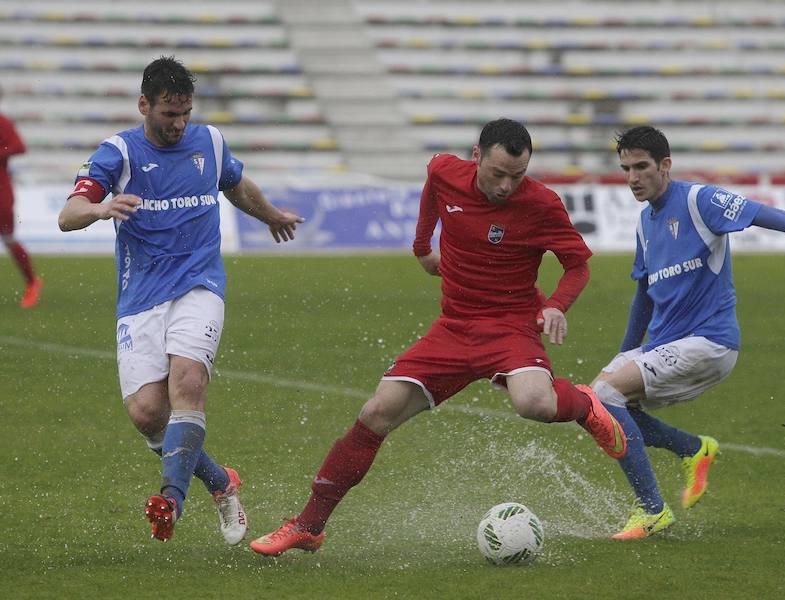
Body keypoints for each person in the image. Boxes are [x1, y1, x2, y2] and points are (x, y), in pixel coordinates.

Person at [249, 118, 626, 556]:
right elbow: (431, 186)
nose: (506, 186)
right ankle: (308, 526)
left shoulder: (542, 204)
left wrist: (557, 305)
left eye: (517, 176)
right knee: (377, 411)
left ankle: (583, 404)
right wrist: (422, 246)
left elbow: (577, 265)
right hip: (454, 327)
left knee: (535, 404)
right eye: (497, 173)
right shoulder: (445, 172)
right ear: (476, 156)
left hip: (510, 325)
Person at [57, 56, 304, 544]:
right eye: (170, 114)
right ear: (144, 105)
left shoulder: (208, 142)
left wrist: (271, 214)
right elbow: (68, 215)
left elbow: (234, 184)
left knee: (187, 381)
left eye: (185, 112)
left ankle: (170, 499)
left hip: (199, 284)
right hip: (141, 296)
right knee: (148, 415)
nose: (179, 124)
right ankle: (220, 482)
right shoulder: (118, 153)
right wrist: (101, 208)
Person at [588, 125, 785, 539]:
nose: (633, 177)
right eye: (626, 168)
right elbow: (644, 295)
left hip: (709, 342)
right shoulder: (644, 223)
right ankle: (691, 449)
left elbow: (771, 215)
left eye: (642, 166)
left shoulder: (699, 201)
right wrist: (625, 355)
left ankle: (652, 511)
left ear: (665, 165)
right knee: (598, 403)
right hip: (667, 344)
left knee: (606, 395)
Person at [0, 86, 42, 308]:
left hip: (1, 192)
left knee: (8, 239)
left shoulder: (3, 123)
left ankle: (32, 282)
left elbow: (19, 146)